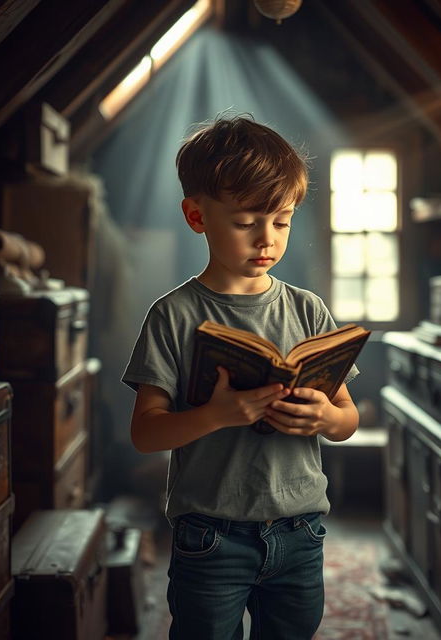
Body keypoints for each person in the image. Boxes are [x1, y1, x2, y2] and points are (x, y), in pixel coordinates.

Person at [123, 115, 362, 640]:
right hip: (210, 536)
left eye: (282, 221)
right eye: (246, 221)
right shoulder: (174, 315)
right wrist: (217, 415)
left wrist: (325, 417)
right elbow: (146, 433)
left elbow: (347, 419)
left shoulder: (306, 309)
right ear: (196, 216)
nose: (267, 238)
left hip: (301, 530)